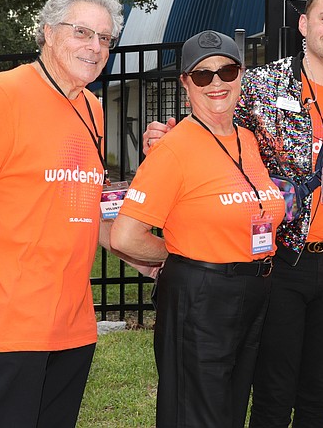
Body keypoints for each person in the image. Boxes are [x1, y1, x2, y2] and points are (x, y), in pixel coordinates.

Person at [142, 0, 323, 427]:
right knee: (272, 390)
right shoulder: (261, 85)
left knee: (319, 392)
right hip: (279, 261)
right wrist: (166, 136)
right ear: (304, 23)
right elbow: (212, 124)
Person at [0, 0, 158, 428]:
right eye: (82, 32)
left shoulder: (93, 109)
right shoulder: (4, 94)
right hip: (12, 320)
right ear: (47, 33)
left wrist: (139, 256)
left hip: (73, 322)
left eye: (104, 38)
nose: (95, 47)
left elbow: (85, 205)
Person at [110, 30, 286, 427]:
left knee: (230, 408)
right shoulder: (172, 148)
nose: (217, 82)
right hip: (201, 294)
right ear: (186, 83)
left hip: (254, 290)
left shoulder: (248, 139)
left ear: (242, 74)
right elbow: (125, 236)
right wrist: (181, 257)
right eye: (203, 75)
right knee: (195, 413)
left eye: (227, 70)